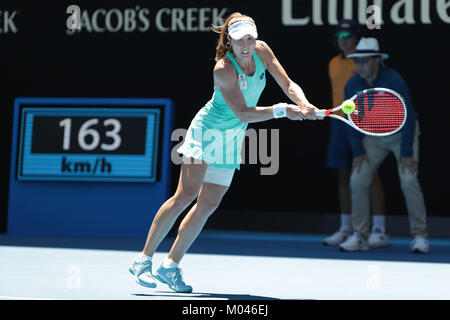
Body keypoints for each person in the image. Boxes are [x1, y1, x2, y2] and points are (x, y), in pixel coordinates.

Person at [128, 12, 321, 293]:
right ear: (229, 40)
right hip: (207, 133)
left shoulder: (262, 51)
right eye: (240, 38)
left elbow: (288, 84)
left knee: (208, 205)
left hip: (231, 139)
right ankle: (143, 260)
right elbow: (242, 112)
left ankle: (170, 266)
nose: (246, 44)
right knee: (185, 196)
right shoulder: (223, 69)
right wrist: (283, 111)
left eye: (250, 38)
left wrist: (305, 104)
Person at [338, 37, 429, 253]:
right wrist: (358, 151)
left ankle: (419, 235)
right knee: (357, 179)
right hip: (373, 137)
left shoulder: (394, 79)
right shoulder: (352, 84)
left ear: (377, 61)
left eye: (364, 61)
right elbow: (352, 121)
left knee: (408, 179)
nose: (359, 65)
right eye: (357, 61)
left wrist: (406, 152)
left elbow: (409, 117)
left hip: (401, 135)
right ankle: (360, 236)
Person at [323, 20, 387, 248]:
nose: (344, 40)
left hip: (365, 123)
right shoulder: (333, 63)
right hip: (340, 123)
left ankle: (378, 230)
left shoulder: (367, 61)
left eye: (348, 35)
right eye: (340, 36)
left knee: (369, 174)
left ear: (356, 38)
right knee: (343, 175)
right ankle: (346, 227)